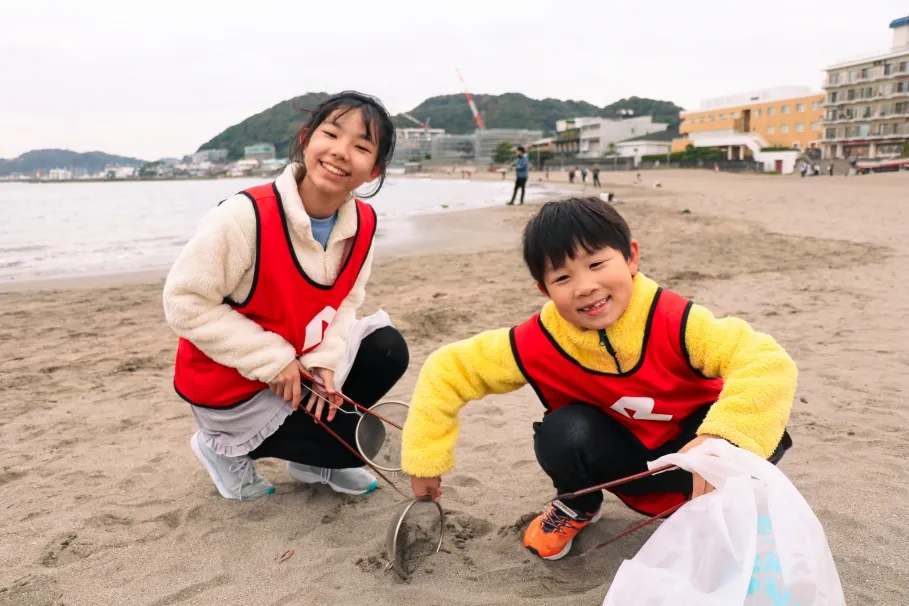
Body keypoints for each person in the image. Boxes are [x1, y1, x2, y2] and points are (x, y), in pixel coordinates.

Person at [401, 197, 796, 561]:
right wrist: (425, 459)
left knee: (762, 431)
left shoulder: (679, 322)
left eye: (596, 264)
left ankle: (722, 508)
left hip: (697, 463)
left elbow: (766, 360)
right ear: (544, 289)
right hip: (622, 464)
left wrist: (722, 440)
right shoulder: (536, 341)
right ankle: (577, 504)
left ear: (631, 258)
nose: (585, 287)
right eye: (562, 278)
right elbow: (448, 368)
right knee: (563, 430)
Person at [164, 91, 409, 501]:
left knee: (387, 349)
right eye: (331, 134)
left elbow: (346, 301)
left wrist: (324, 363)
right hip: (231, 381)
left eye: (361, 146)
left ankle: (316, 464)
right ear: (307, 139)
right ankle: (218, 449)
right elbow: (184, 302)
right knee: (348, 442)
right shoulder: (245, 216)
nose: (340, 152)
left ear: (373, 172)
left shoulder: (361, 223)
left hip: (297, 367)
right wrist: (272, 360)